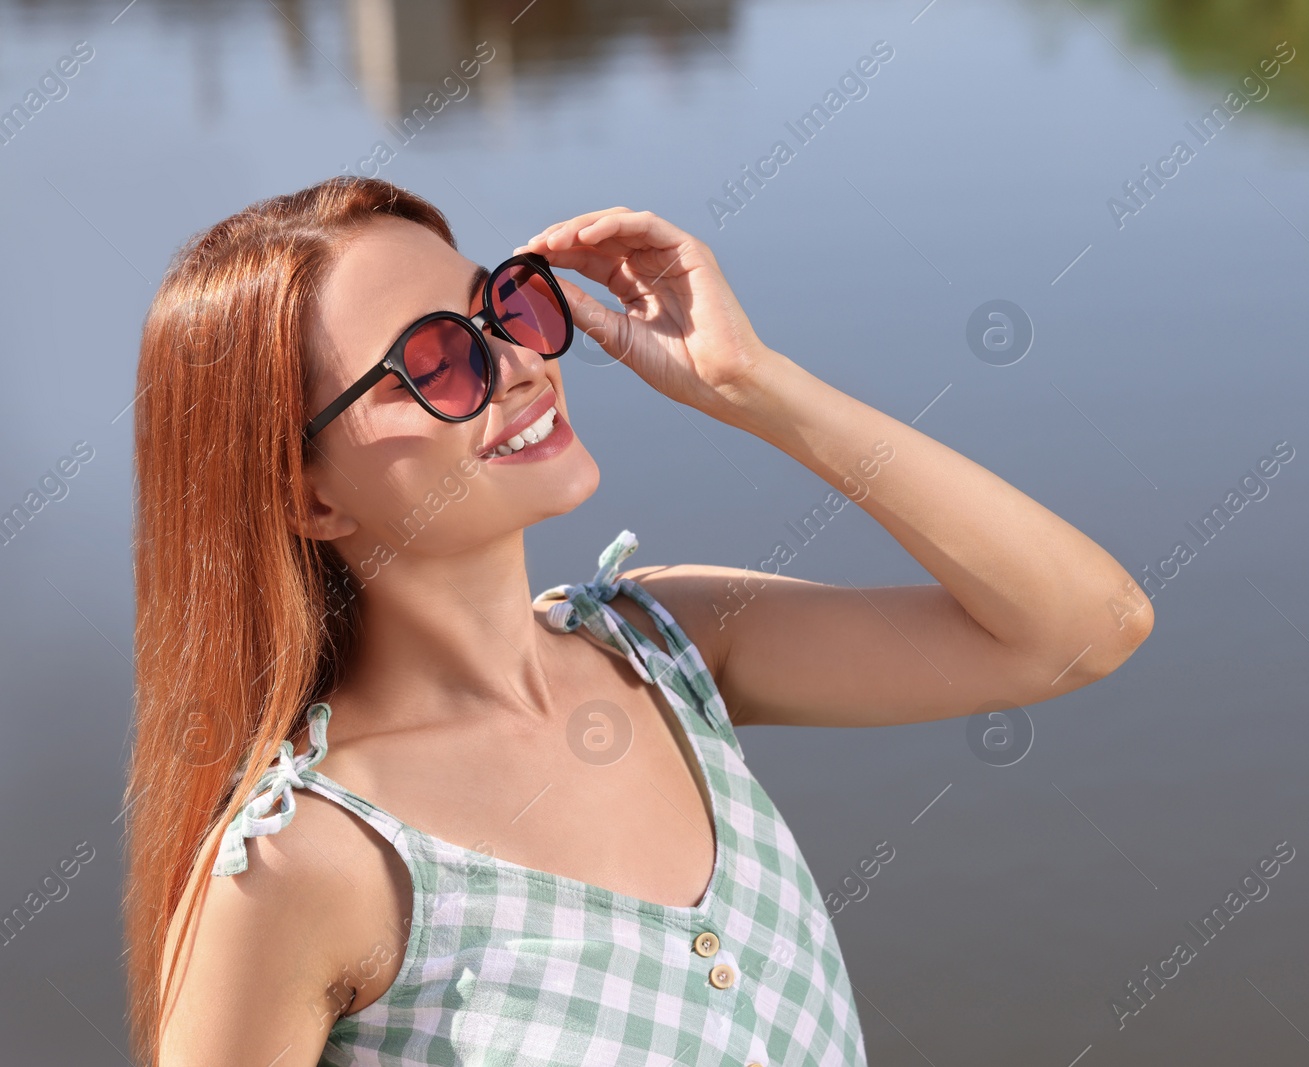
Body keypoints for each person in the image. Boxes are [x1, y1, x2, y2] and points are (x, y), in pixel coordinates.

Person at [126, 176, 1154, 1066]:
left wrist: (753, 385)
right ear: (308, 497)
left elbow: (1081, 627)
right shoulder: (301, 864)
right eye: (436, 362)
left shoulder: (675, 648)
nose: (519, 363)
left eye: (503, 308)